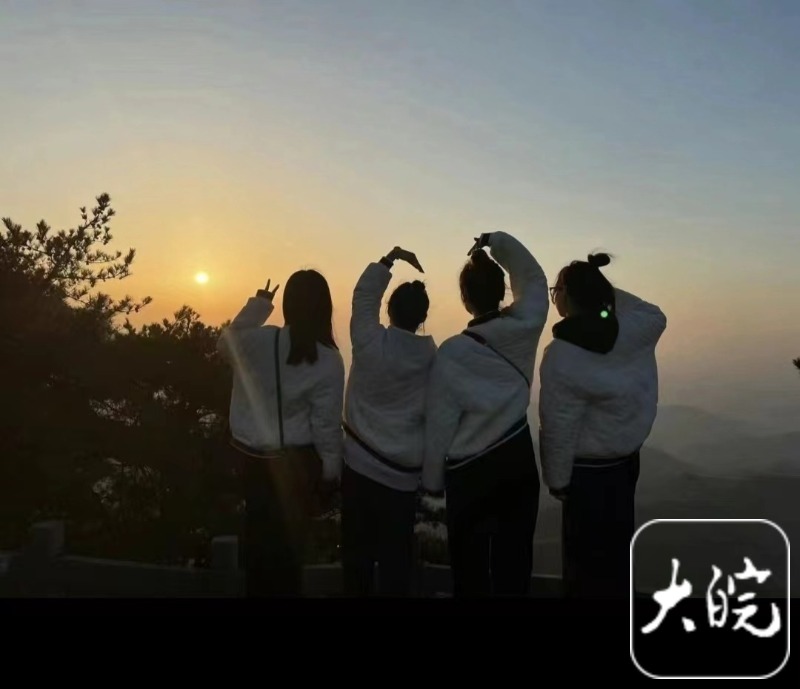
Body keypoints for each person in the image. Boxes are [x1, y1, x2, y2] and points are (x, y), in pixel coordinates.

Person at [422, 231, 549, 596]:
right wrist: (495, 241)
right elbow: (534, 279)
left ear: (465, 299)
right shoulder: (524, 327)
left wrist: (432, 480)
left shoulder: (452, 353)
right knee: (515, 568)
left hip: (469, 474)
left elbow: (440, 424)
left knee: (470, 573)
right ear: (501, 290)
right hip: (517, 461)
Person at [539, 253, 666, 600]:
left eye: (557, 290)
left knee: (583, 570)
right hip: (625, 465)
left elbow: (558, 425)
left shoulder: (561, 354)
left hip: (585, 476)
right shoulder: (634, 331)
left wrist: (557, 480)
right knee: (616, 560)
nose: (555, 296)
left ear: (568, 295)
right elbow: (654, 313)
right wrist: (598, 284)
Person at [217, 270, 344, 597]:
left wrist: (259, 304)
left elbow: (225, 344)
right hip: (298, 466)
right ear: (324, 308)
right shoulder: (328, 359)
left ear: (287, 303)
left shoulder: (258, 341)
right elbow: (326, 425)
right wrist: (331, 471)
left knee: (258, 550)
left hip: (252, 462)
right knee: (289, 555)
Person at [341, 246, 437, 596]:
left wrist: (389, 259)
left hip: (358, 467)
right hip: (402, 480)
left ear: (389, 310)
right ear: (422, 318)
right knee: (397, 566)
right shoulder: (433, 361)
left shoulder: (369, 341)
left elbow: (363, 296)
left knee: (357, 562)